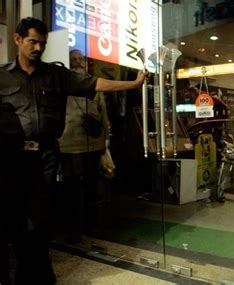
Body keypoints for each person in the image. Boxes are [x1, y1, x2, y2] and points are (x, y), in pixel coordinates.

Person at [0, 17, 147, 285]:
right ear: (18, 40)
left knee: (41, 220)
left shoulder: (57, 75)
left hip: (45, 156)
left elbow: (96, 84)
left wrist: (133, 85)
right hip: (11, 158)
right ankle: (25, 272)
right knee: (14, 218)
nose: (37, 48)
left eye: (42, 43)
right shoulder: (1, 77)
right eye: (32, 41)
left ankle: (38, 275)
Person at [55, 50, 110, 242]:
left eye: (81, 60)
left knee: (91, 189)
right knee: (70, 191)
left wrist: (105, 142)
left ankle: (90, 226)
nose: (78, 63)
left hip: (93, 145)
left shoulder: (95, 85)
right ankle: (73, 229)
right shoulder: (63, 84)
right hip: (68, 146)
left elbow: (103, 115)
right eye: (74, 60)